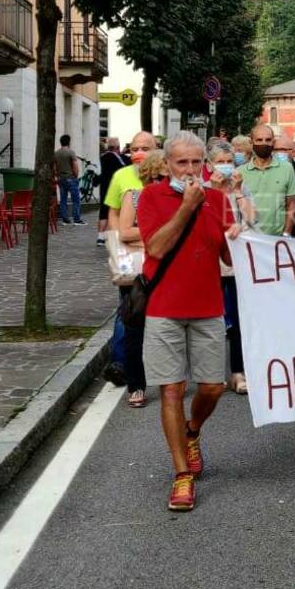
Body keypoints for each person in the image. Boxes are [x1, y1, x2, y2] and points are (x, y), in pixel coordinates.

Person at [137, 131, 238, 512]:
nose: (191, 169)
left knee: (212, 388)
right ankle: (181, 476)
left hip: (208, 306)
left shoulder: (217, 199)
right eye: (183, 162)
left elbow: (229, 257)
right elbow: (157, 247)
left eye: (198, 162)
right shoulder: (150, 197)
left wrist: (238, 234)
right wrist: (186, 208)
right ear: (167, 165)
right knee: (172, 390)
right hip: (164, 308)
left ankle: (192, 430)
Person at [103, 131, 158, 387]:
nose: (139, 153)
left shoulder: (164, 176)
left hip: (157, 253)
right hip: (131, 253)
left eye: (145, 148)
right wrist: (117, 244)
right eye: (135, 148)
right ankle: (120, 362)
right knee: (129, 305)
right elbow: (113, 213)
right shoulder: (122, 177)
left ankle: (147, 362)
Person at [117, 150, 168, 408]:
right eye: (158, 177)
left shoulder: (177, 198)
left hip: (170, 270)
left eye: (166, 177)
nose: (162, 181)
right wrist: (155, 234)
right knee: (135, 327)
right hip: (140, 272)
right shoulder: (134, 196)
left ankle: (171, 379)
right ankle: (136, 384)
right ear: (148, 175)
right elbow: (124, 231)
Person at [207, 141, 255, 395]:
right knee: (211, 320)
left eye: (229, 161)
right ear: (210, 165)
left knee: (237, 319)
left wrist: (237, 192)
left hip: (237, 262)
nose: (225, 166)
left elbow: (252, 217)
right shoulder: (202, 189)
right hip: (210, 263)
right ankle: (213, 374)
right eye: (220, 162)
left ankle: (238, 371)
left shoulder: (242, 187)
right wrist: (215, 192)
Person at [238, 125, 295, 237]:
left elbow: (291, 204)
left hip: (277, 240)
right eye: (259, 140)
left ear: (273, 143)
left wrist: (286, 233)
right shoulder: (239, 172)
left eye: (268, 140)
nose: (264, 143)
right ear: (252, 143)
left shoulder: (287, 168)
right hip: (248, 239)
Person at [97, 137, 128, 247]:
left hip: (104, 188)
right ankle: (115, 236)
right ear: (117, 147)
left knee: (103, 212)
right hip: (116, 188)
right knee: (116, 212)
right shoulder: (118, 158)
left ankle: (100, 236)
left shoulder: (102, 157)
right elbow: (125, 168)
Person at [54, 134, 85, 226]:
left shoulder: (56, 153)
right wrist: (75, 176)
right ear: (69, 142)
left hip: (61, 179)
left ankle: (65, 220)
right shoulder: (71, 152)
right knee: (76, 199)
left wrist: (58, 175)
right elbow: (75, 166)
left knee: (63, 199)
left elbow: (54, 168)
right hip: (70, 178)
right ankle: (77, 219)